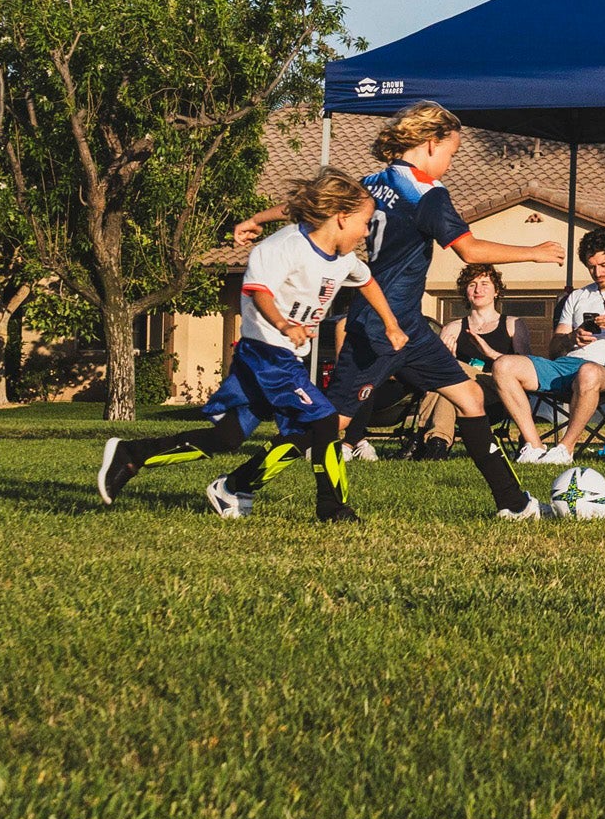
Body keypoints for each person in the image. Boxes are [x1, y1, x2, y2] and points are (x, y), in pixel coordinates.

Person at [226, 101, 563, 519]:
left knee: (471, 397)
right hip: (378, 326)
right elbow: (469, 250)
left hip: (409, 327)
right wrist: (533, 252)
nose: (451, 163)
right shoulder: (428, 194)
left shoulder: (373, 182)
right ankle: (236, 485)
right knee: (333, 424)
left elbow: (315, 203)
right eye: (452, 153)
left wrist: (258, 218)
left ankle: (513, 504)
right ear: (430, 143)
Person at [95, 168, 399, 521]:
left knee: (230, 437)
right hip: (267, 353)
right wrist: (284, 324)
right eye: (365, 223)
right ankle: (333, 508)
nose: (366, 232)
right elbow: (258, 292)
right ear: (341, 217)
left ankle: (136, 456)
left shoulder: (343, 258)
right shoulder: (283, 247)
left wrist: (391, 324)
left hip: (285, 357)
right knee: (325, 420)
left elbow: (366, 282)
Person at [499, 231, 605, 465]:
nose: (597, 272)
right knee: (503, 365)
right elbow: (554, 350)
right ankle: (534, 446)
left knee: (588, 372)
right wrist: (571, 338)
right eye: (591, 267)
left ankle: (565, 449)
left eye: (603, 265)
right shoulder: (578, 296)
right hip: (567, 365)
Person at [407, 263, 525, 460]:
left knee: (451, 371)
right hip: (460, 395)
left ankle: (421, 437)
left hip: (496, 393)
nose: (478, 289)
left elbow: (525, 367)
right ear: (465, 292)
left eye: (485, 284)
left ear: (496, 291)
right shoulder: (452, 328)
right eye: (472, 284)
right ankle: (438, 443)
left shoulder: (512, 324)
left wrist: (490, 354)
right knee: (447, 379)